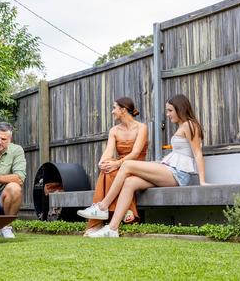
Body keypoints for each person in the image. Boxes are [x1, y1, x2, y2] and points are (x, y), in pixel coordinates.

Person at [77, 94, 209, 237]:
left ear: (180, 108)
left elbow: (197, 153)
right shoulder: (182, 126)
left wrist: (202, 181)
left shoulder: (190, 125)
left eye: (170, 110)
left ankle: (102, 206)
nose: (168, 114)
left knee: (126, 165)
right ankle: (112, 229)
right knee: (130, 182)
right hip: (170, 170)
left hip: (178, 174)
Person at [77, 97, 148, 237]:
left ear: (123, 110)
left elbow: (135, 153)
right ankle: (124, 211)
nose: (112, 111)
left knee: (113, 169)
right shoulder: (114, 130)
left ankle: (98, 221)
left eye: (114, 108)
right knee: (106, 171)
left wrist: (116, 163)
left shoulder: (142, 127)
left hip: (138, 168)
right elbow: (109, 151)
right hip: (120, 167)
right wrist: (102, 162)